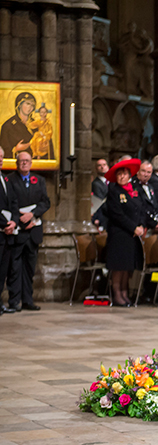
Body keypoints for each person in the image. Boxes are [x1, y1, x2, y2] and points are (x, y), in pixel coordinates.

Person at [104, 158, 155, 307]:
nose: (122, 177)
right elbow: (117, 214)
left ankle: (125, 292)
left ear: (129, 176)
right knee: (118, 266)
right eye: (119, 174)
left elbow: (141, 210)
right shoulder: (114, 192)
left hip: (133, 235)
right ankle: (117, 293)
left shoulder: (135, 191)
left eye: (124, 174)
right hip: (119, 234)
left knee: (128, 266)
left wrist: (142, 225)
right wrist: (134, 227)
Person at [6, 151, 50, 311]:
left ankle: (28, 301)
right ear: (17, 163)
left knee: (29, 269)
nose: (24, 163)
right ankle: (14, 302)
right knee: (14, 269)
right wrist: (20, 221)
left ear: (31, 163)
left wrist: (33, 215)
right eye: (21, 161)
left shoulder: (39, 180)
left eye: (27, 161)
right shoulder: (9, 180)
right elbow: (9, 203)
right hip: (18, 231)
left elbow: (45, 202)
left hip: (33, 232)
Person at [0, 146, 19, 315]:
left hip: (7, 233)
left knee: (3, 271)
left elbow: (14, 202)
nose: (0, 159)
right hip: (1, 230)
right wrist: (4, 224)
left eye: (1, 156)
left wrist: (14, 221)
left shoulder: (5, 180)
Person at [131, 160, 158, 234]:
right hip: (142, 227)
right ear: (137, 171)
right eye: (143, 171)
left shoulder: (150, 186)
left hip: (154, 228)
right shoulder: (133, 187)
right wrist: (154, 224)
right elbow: (141, 208)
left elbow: (155, 205)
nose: (146, 174)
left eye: (149, 172)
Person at [0, 92, 35, 158]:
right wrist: (15, 149)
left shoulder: (37, 124)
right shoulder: (8, 126)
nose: (30, 107)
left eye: (32, 105)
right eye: (27, 104)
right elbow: (3, 150)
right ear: (19, 105)